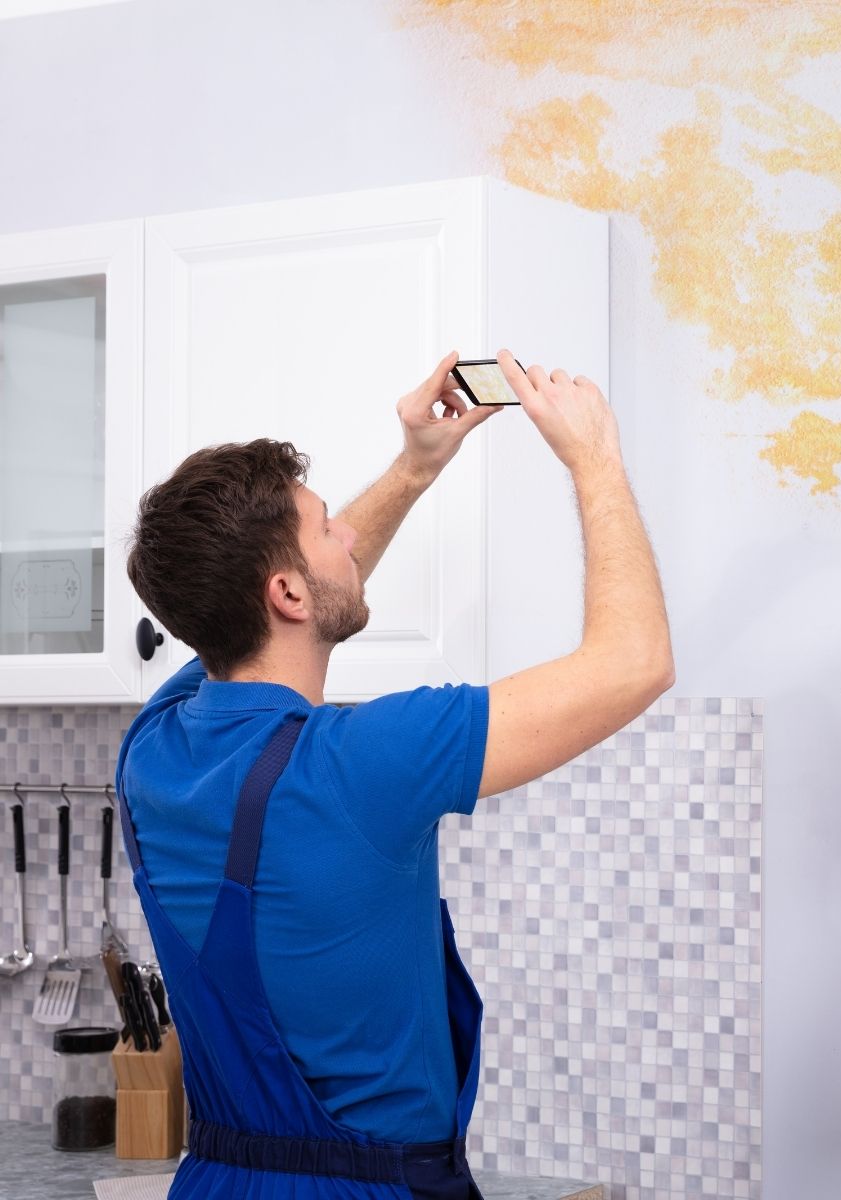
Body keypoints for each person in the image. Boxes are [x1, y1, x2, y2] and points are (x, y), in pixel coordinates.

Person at [114, 350, 673, 1199]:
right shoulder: (365, 762)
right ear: (286, 593)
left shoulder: (150, 749)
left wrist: (415, 468)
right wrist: (594, 457)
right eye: (327, 527)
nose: (347, 535)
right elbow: (636, 662)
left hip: (216, 1181)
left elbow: (295, 599)